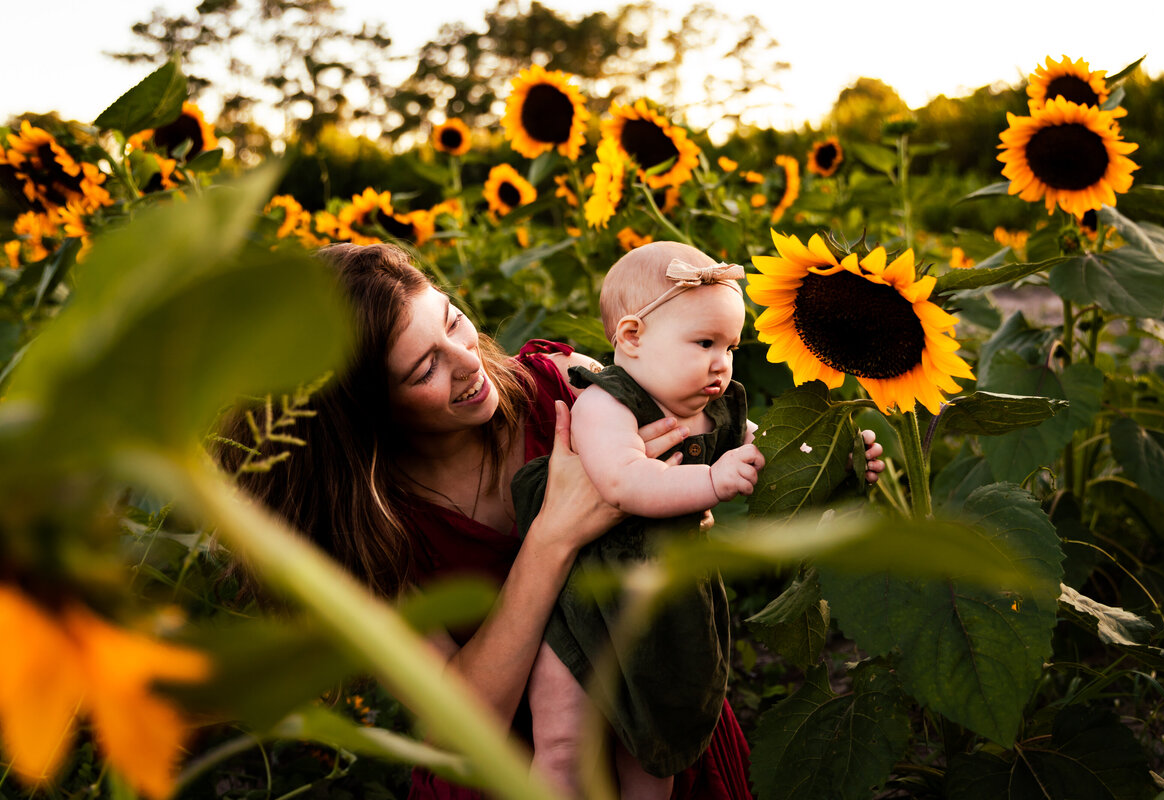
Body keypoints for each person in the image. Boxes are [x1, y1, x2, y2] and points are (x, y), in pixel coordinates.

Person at [216, 242, 779, 799]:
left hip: (655, 714)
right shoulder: (366, 527)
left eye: (453, 323)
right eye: (424, 368)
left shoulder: (567, 387)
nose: (468, 363)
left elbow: (710, 453)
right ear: (365, 412)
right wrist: (555, 534)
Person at [510, 241, 763, 799]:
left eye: (730, 346)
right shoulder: (607, 405)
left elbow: (765, 457)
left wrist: (830, 457)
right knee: (562, 743)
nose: (721, 362)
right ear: (631, 337)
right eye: (704, 342)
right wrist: (714, 481)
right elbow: (622, 482)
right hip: (584, 605)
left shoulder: (717, 409)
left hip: (667, 605)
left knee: (655, 750)